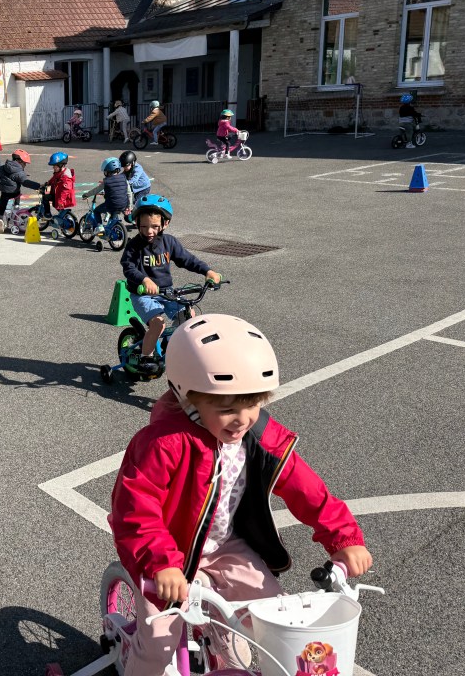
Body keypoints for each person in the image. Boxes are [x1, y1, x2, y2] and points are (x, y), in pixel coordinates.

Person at [110, 313, 372, 675]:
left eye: (253, 404)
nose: (242, 418)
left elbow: (306, 487)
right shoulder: (163, 443)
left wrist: (343, 537)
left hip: (225, 546)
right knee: (158, 644)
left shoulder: (260, 435)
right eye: (227, 409)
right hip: (167, 552)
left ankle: (220, 639)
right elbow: (136, 510)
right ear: (188, 399)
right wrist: (162, 563)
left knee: (270, 615)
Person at [120, 194, 221, 370]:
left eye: (154, 226)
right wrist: (144, 280)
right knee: (158, 323)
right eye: (144, 226)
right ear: (136, 223)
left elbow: (187, 259)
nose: (149, 231)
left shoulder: (169, 242)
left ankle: (171, 345)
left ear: (165, 224)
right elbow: (128, 267)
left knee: (188, 316)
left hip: (167, 292)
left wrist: (207, 271)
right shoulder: (134, 245)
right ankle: (145, 357)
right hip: (143, 295)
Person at [0, 149, 41, 233]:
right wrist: (38, 186)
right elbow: (25, 182)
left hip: (5, 193)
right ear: (19, 161)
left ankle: (0, 219)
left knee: (2, 205)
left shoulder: (2, 168)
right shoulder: (20, 172)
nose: (25, 165)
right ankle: (16, 206)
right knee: (18, 194)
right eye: (24, 163)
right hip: (15, 193)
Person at [82, 157, 130, 227]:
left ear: (108, 171)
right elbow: (128, 192)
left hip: (112, 205)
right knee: (113, 214)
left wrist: (86, 195)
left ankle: (100, 227)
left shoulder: (106, 181)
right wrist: (129, 206)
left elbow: (96, 190)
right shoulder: (124, 178)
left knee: (96, 211)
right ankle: (113, 226)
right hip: (124, 204)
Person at [40, 152, 75, 219]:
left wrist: (61, 201)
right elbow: (53, 178)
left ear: (61, 165)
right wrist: (47, 183)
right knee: (55, 204)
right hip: (58, 194)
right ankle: (62, 216)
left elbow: (65, 191)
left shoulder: (65, 177)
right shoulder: (59, 172)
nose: (53, 167)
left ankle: (48, 214)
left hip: (64, 198)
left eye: (55, 166)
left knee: (46, 197)